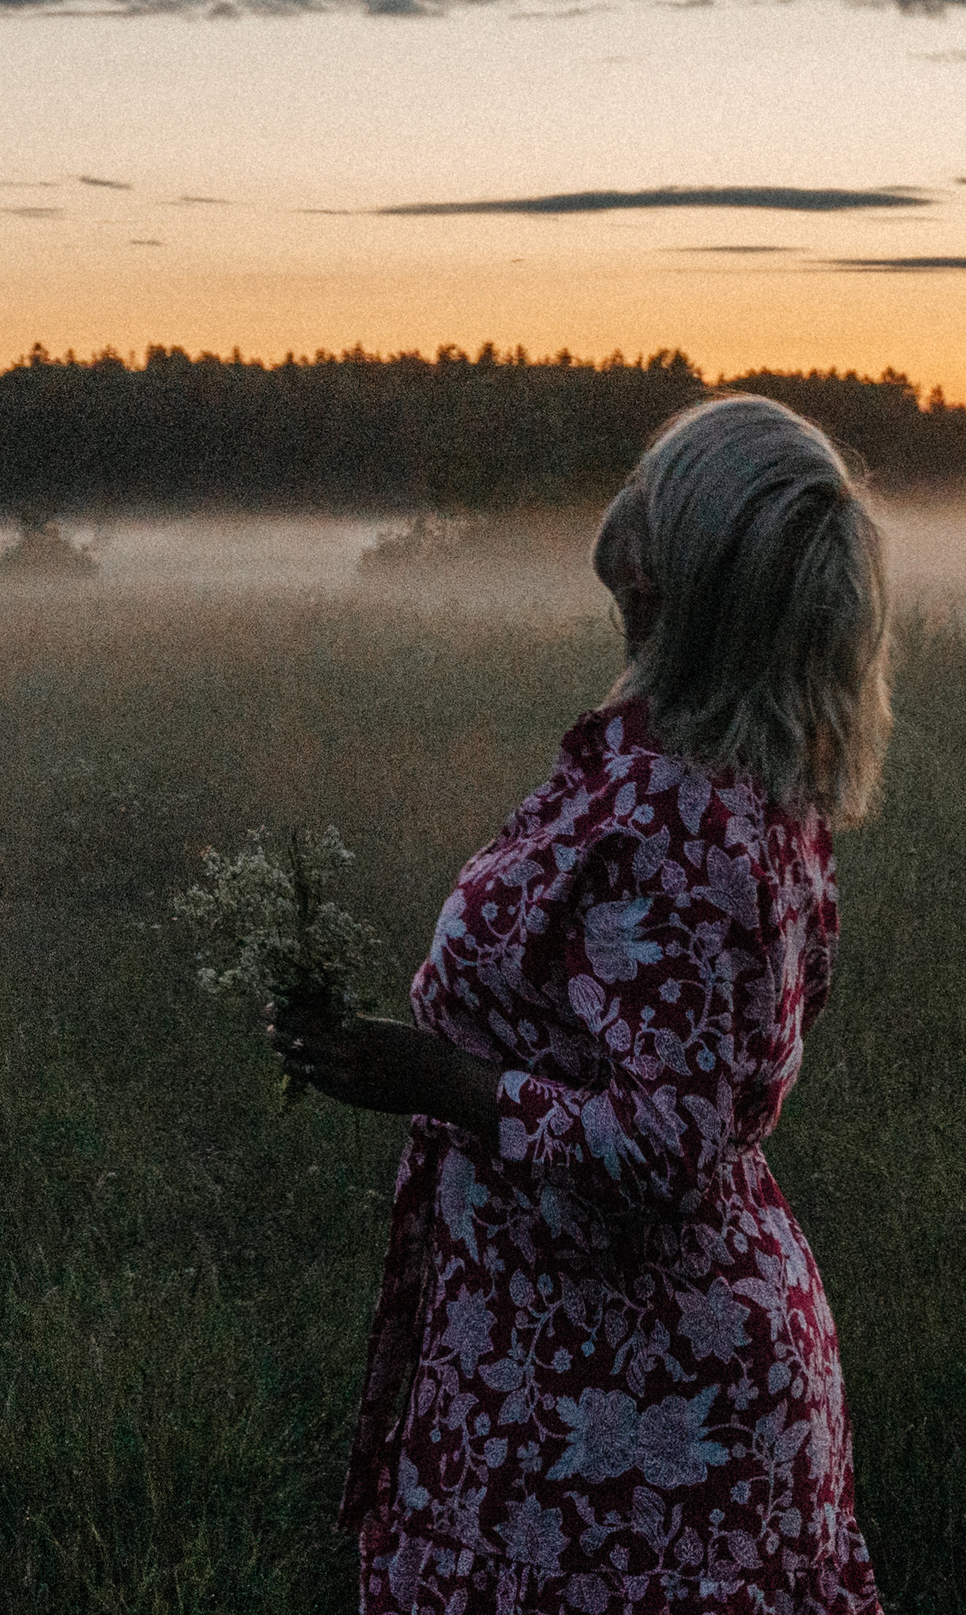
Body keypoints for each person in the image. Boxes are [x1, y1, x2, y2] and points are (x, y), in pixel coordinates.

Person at [271, 393, 890, 1614]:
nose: (621, 549)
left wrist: (441, 1082)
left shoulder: (689, 812)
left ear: (695, 580)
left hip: (629, 1394)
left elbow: (672, 1146)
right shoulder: (714, 772)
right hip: (575, 1356)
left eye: (656, 521)